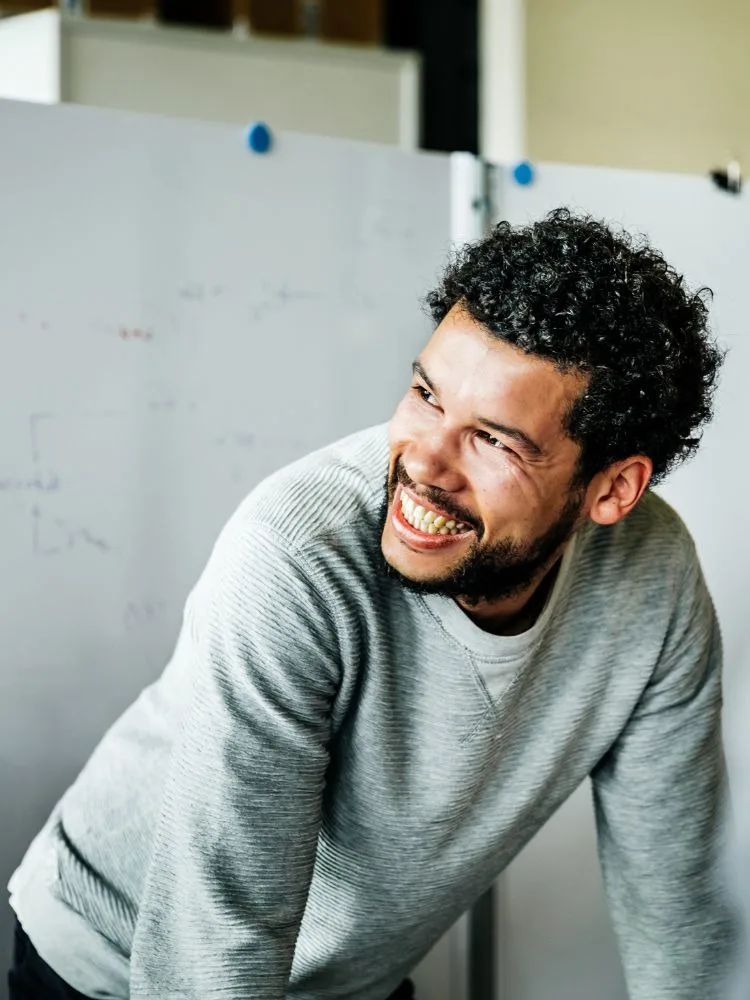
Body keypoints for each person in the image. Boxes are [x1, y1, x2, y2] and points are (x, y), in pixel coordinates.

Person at [7, 208, 735, 1000]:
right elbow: (216, 944)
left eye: (492, 440)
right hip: (119, 960)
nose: (422, 462)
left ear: (612, 488)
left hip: (341, 977)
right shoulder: (293, 557)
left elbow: (680, 900)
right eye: (426, 393)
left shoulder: (653, 580)